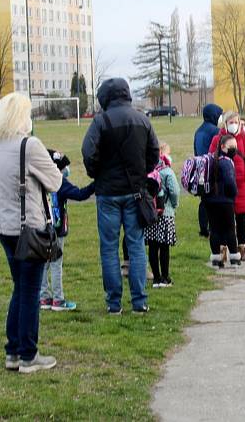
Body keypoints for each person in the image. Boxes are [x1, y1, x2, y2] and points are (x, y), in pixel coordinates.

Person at [0, 92, 62, 373]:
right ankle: (28, 354)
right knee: (30, 291)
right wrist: (56, 164)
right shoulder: (29, 146)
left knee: (20, 288)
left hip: (5, 226)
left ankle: (13, 351)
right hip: (29, 227)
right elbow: (55, 182)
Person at [82, 78, 159, 315]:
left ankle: (113, 303)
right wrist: (139, 172)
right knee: (136, 246)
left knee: (109, 248)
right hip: (135, 192)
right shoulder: (142, 119)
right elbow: (154, 154)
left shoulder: (100, 121)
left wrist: (98, 174)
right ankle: (139, 301)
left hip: (108, 194)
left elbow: (88, 152)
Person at [40, 150, 95, 312]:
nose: (66, 171)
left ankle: (43, 297)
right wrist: (95, 184)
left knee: (44, 263)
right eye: (64, 168)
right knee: (57, 263)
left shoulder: (39, 180)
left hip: (41, 228)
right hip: (57, 230)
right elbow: (80, 194)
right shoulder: (60, 182)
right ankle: (58, 299)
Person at [209, 111, 245, 261]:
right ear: (225, 123)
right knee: (224, 220)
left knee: (241, 219)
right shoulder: (217, 139)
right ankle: (223, 249)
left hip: (242, 184)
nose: (234, 124)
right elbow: (211, 157)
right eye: (231, 122)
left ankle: (241, 248)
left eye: (236, 121)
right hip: (223, 186)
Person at [144, 143, 179, 288]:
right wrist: (174, 205)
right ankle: (165, 277)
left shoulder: (148, 170)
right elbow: (175, 191)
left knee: (153, 246)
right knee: (164, 247)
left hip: (150, 213)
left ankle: (156, 278)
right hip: (166, 213)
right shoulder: (167, 171)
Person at [205, 134, 242, 268]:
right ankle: (234, 257)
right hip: (225, 201)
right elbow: (230, 182)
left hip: (210, 200)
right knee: (230, 230)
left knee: (214, 230)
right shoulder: (226, 162)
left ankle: (215, 258)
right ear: (222, 147)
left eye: (235, 147)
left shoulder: (213, 160)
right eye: (231, 147)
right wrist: (233, 194)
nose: (234, 149)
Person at [193, 103, 223, 238]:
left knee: (204, 199)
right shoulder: (215, 131)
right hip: (212, 167)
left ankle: (203, 228)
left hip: (200, 167)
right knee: (214, 198)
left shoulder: (198, 130)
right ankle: (213, 226)